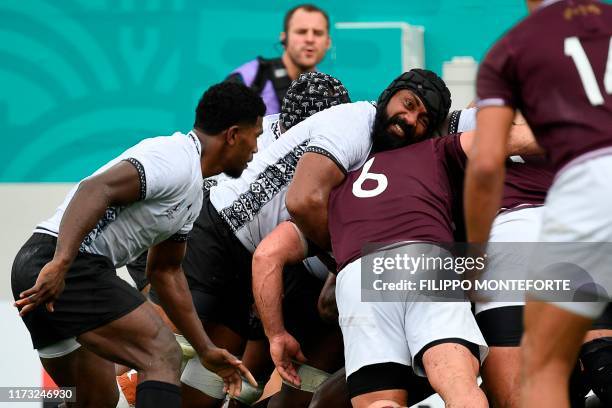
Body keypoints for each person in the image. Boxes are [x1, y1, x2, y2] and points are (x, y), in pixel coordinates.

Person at [11, 82, 266, 408]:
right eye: (255, 136)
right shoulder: (173, 158)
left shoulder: (193, 189)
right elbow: (94, 189)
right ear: (232, 134)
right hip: (62, 265)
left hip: (39, 267)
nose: (256, 149)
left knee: (96, 399)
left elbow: (166, 272)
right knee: (161, 352)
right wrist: (61, 263)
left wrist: (205, 349)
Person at [157, 72, 351, 408]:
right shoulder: (253, 140)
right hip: (217, 243)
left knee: (244, 381)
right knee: (164, 348)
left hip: (289, 267)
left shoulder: (351, 147)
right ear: (288, 127)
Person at [463, 1, 612, 407]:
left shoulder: (510, 54)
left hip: (543, 221)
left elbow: (486, 165)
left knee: (537, 378)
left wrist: (473, 256)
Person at [226, 4, 331, 115]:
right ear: (283, 38)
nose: (310, 39)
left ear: (328, 42)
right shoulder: (251, 77)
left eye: (318, 33)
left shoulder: (329, 90)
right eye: (301, 32)